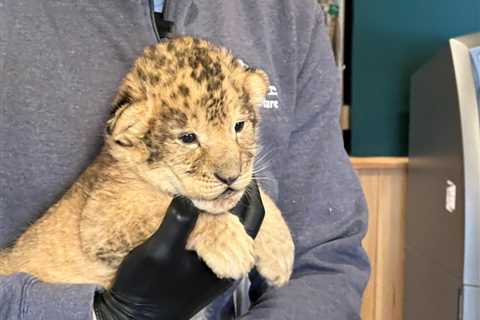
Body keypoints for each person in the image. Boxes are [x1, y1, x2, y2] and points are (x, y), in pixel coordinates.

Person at [0, 0, 370, 319]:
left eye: (240, 127)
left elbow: (327, 256)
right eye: (190, 138)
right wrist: (95, 315)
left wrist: (262, 216)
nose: (231, 169)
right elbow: (103, 229)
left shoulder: (287, 14)